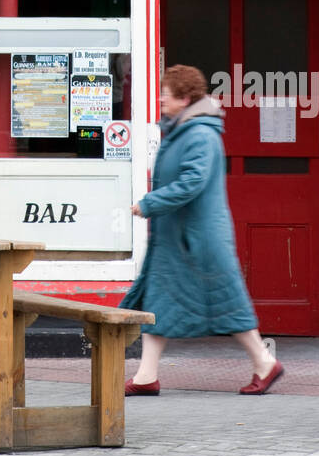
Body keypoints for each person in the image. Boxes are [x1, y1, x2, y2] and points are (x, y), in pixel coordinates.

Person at [120, 64, 283, 397]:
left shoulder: (200, 134)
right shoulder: (184, 130)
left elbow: (192, 183)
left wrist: (150, 203)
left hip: (199, 240)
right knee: (160, 300)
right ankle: (146, 375)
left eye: (166, 93)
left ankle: (264, 362)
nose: (161, 99)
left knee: (228, 302)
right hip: (179, 237)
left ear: (184, 98)